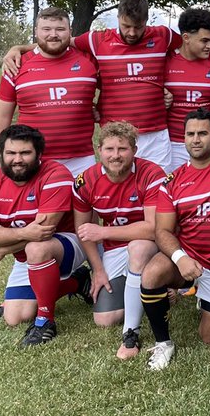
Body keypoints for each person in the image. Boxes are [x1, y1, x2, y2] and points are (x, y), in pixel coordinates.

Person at [2, 0, 180, 167]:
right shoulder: (97, 40)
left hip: (156, 134)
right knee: (119, 191)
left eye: (138, 27)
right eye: (126, 26)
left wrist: (166, 86)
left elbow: (191, 45)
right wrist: (19, 47)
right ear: (118, 18)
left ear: (147, 21)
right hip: (115, 134)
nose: (132, 32)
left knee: (158, 189)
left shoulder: (163, 35)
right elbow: (60, 41)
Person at [138, 109, 210, 370]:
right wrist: (180, 258)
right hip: (189, 260)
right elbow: (162, 231)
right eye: (190, 134)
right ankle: (163, 343)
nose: (196, 139)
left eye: (203, 133)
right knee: (152, 273)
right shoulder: (172, 181)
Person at [0, 124, 89, 346]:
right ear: (2, 154)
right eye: (10, 153)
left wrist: (3, 249)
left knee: (37, 248)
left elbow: (44, 231)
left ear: (38, 154)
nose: (17, 159)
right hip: (26, 251)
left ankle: (45, 322)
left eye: (25, 153)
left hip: (68, 243)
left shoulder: (56, 174)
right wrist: (22, 233)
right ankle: (77, 282)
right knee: (15, 316)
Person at [70, 121, 166, 359]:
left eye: (122, 149)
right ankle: (153, 291)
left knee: (139, 247)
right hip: (114, 250)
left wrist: (104, 232)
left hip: (151, 246)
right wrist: (98, 270)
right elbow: (83, 230)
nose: (115, 155)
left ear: (134, 150)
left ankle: (130, 333)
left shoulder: (152, 173)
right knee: (104, 319)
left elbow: (153, 229)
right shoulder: (86, 181)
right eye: (109, 149)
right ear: (99, 150)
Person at [0, 6, 98, 175]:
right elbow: (2, 116)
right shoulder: (16, 65)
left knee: (84, 202)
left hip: (81, 160)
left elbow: (115, 87)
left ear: (70, 31)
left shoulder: (89, 60)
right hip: (33, 160)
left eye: (60, 29)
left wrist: (101, 107)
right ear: (36, 31)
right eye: (46, 29)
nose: (53, 34)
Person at [164, 7, 210, 170]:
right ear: (186, 38)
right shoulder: (165, 61)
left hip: (208, 145)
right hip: (173, 145)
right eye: (204, 41)